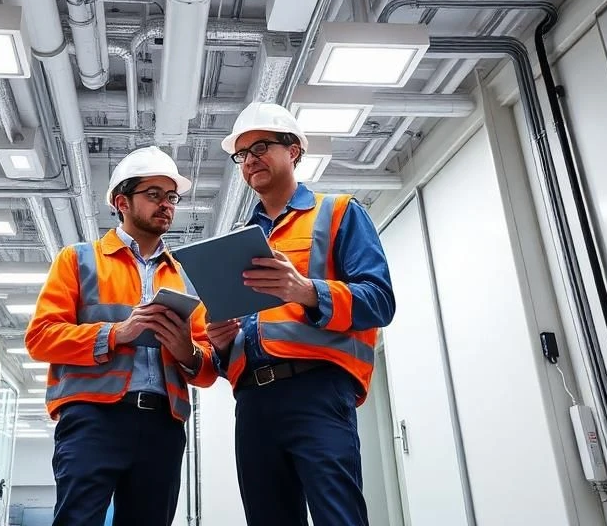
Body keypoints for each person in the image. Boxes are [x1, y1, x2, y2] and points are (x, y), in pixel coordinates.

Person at [206, 102, 396, 526]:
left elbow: (379, 300)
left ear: (293, 150)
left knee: (338, 517)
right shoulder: (239, 241)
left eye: (261, 146)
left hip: (318, 391)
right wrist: (222, 342)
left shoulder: (340, 213)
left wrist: (306, 290)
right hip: (253, 402)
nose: (250, 159)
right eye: (242, 154)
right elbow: (243, 334)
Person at [25, 145, 217, 526]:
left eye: (172, 197)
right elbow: (41, 337)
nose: (166, 204)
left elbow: (207, 369)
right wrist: (117, 333)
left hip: (164, 424)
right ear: (121, 202)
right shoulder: (78, 260)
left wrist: (187, 352)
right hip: (92, 418)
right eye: (154, 195)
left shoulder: (186, 275)